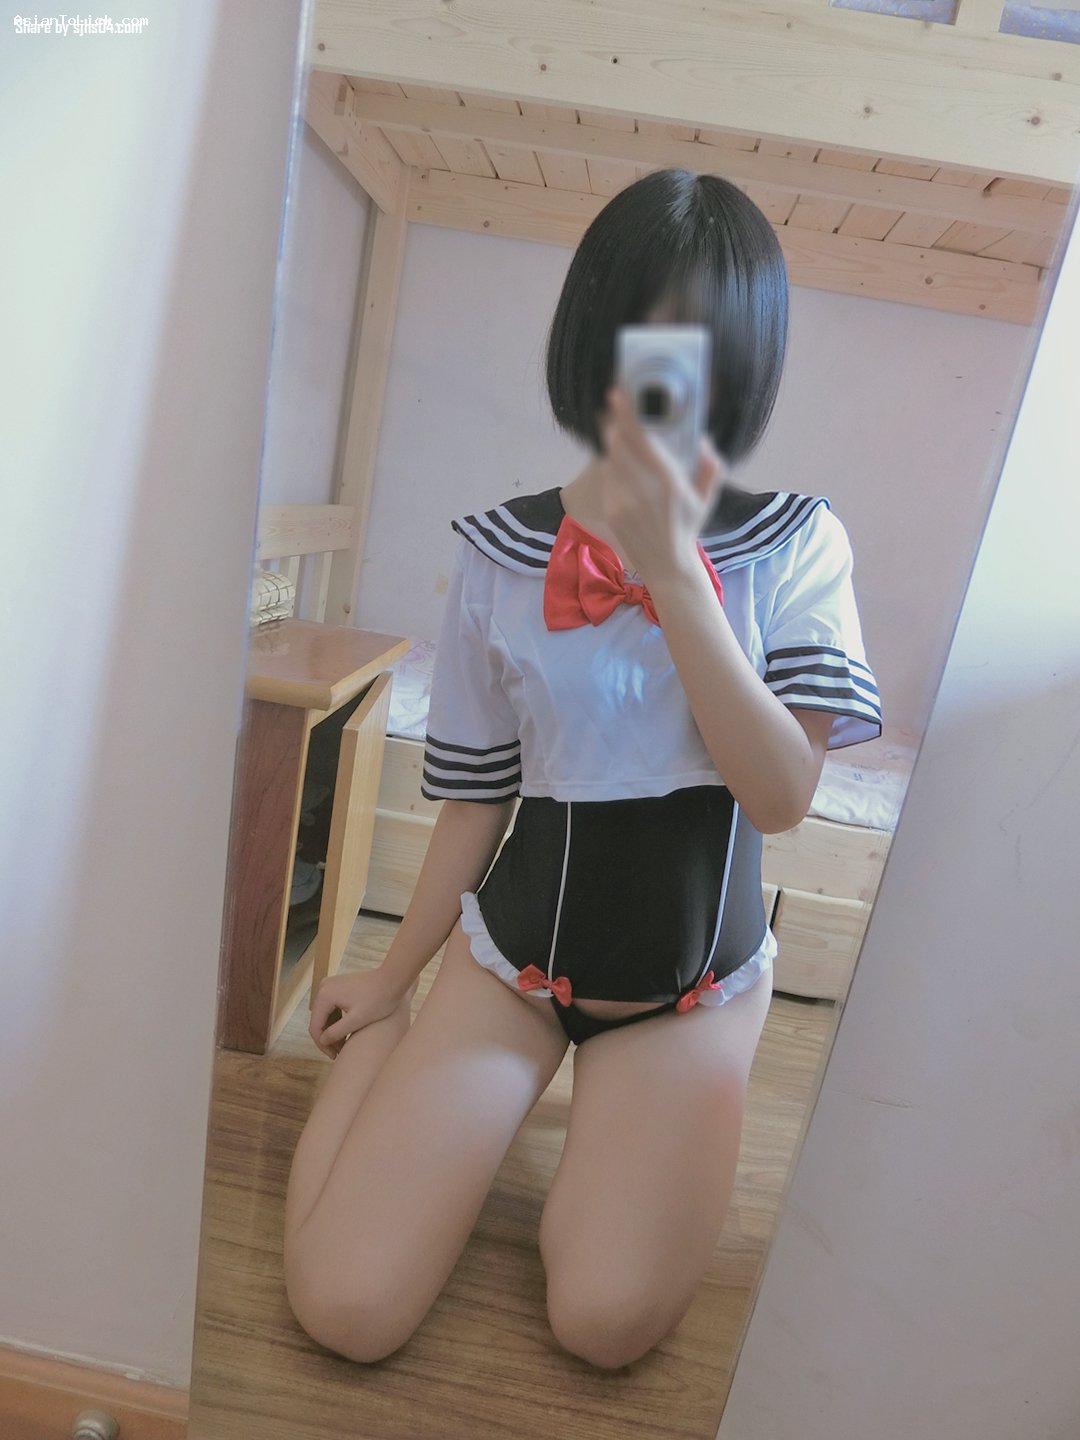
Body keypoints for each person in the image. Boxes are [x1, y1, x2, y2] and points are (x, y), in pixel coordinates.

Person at [283, 169, 881, 1370]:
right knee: (346, 1310)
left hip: (692, 990)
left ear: (745, 362)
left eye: (705, 346)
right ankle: (403, 1064)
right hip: (509, 966)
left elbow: (780, 798)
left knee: (603, 1324)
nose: (665, 377)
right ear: (589, 342)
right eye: (638, 336)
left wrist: (672, 572)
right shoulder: (500, 552)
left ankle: (605, 1149)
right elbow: (478, 799)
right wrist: (391, 978)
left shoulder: (797, 544)